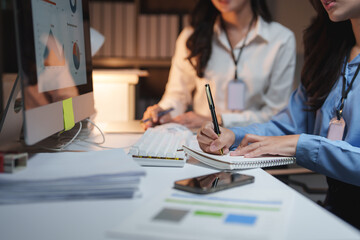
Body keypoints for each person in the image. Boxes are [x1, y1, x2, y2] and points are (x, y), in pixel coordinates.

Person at [197, 0, 360, 229]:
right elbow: (288, 126)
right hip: (334, 217)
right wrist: (233, 135)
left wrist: (300, 145)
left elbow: (294, 139)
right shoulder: (329, 54)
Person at [141, 0, 296, 129]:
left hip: (254, 143)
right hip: (203, 142)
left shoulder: (281, 40)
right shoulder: (192, 37)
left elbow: (275, 113)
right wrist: (163, 111)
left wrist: (218, 120)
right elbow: (178, 95)